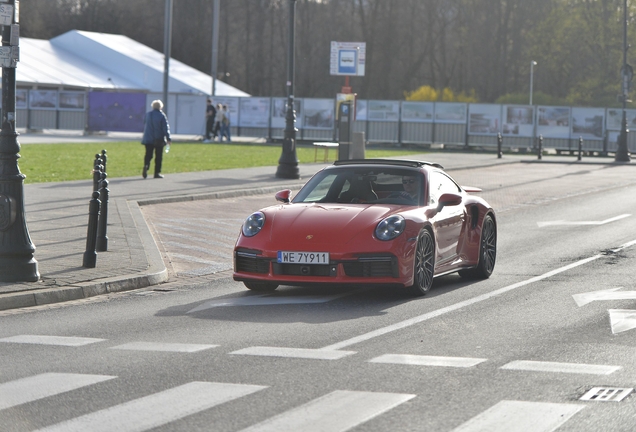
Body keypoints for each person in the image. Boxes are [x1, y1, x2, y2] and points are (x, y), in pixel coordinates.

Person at [141, 99, 171, 179]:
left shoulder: (148, 115)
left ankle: (146, 166)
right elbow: (165, 128)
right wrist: (168, 138)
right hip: (158, 139)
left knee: (148, 154)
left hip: (148, 138)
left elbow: (144, 123)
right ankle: (156, 172)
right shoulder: (162, 116)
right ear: (160, 107)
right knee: (158, 156)